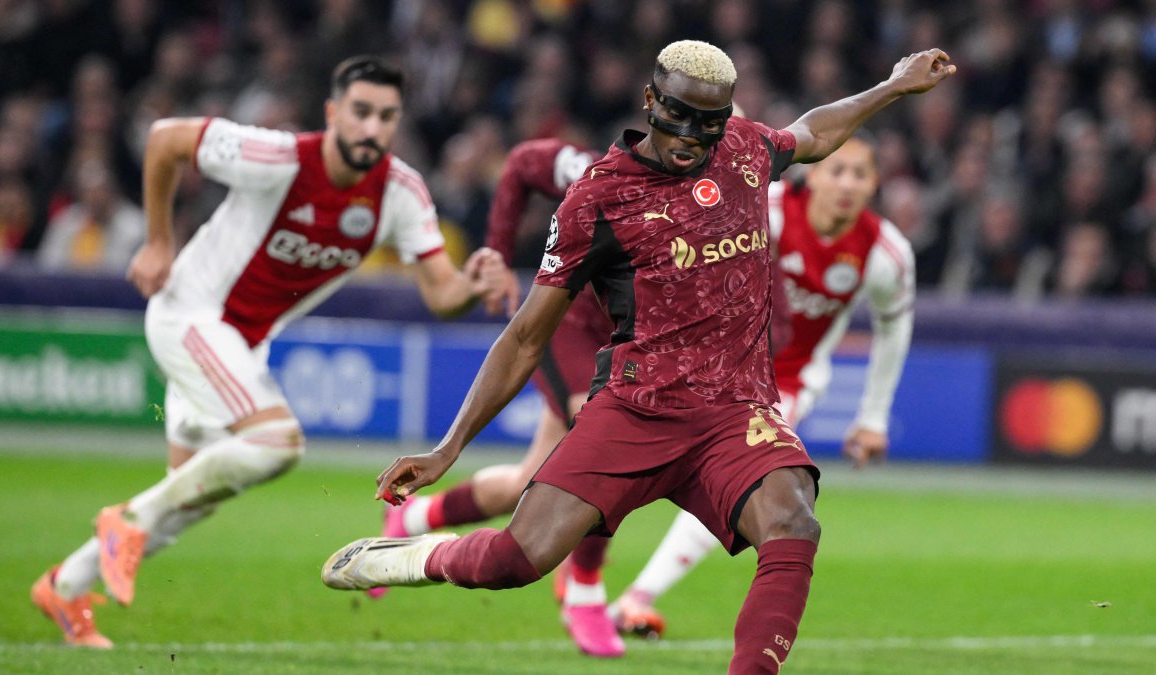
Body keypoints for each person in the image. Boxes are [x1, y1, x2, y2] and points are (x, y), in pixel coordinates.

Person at [321, 41, 953, 674]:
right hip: (637, 409)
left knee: (794, 522)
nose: (691, 136)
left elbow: (814, 132)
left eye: (709, 122)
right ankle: (416, 556)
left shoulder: (745, 149)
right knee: (516, 560)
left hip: (734, 411)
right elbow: (525, 336)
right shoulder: (598, 198)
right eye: (678, 115)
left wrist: (893, 85)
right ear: (651, 99)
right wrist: (447, 449)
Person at [30, 56, 518, 649]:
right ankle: (123, 523)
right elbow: (165, 140)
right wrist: (158, 241)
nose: (372, 128)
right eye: (361, 112)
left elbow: (441, 293)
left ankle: (66, 584)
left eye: (386, 116)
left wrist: (473, 284)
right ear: (333, 112)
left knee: (189, 496)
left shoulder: (400, 192)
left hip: (239, 345)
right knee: (277, 442)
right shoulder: (278, 157)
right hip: (191, 315)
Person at [608, 134, 917, 639]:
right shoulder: (765, 206)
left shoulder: (886, 253)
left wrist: (873, 418)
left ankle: (636, 598)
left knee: (738, 483)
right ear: (812, 174)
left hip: (782, 384)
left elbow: (894, 330)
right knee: (637, 457)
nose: (846, 184)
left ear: (874, 185)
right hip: (709, 357)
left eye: (860, 174)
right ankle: (584, 567)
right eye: (837, 170)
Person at [375, 136, 626, 656]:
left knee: (525, 482)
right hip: (569, 323)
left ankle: (415, 519)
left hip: (623, 337)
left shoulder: (733, 194)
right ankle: (584, 589)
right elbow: (522, 163)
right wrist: (497, 252)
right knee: (606, 432)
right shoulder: (601, 173)